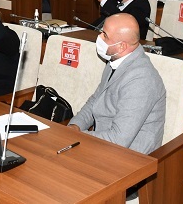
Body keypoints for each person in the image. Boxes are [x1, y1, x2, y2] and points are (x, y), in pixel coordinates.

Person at [68, 13, 166, 155]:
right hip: (103, 143)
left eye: (105, 35)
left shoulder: (142, 80)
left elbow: (119, 139)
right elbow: (95, 100)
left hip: (129, 156)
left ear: (121, 46)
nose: (99, 37)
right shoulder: (115, 61)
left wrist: (79, 137)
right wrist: (75, 126)